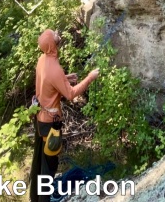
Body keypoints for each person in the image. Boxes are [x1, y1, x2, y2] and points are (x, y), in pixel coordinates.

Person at [30, 29, 99, 202]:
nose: (57, 33)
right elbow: (71, 95)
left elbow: (47, 81)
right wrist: (90, 78)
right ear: (52, 44)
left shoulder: (43, 59)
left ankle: (36, 198)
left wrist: (65, 79)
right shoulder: (54, 68)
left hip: (39, 119)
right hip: (50, 124)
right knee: (49, 166)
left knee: (40, 162)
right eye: (54, 34)